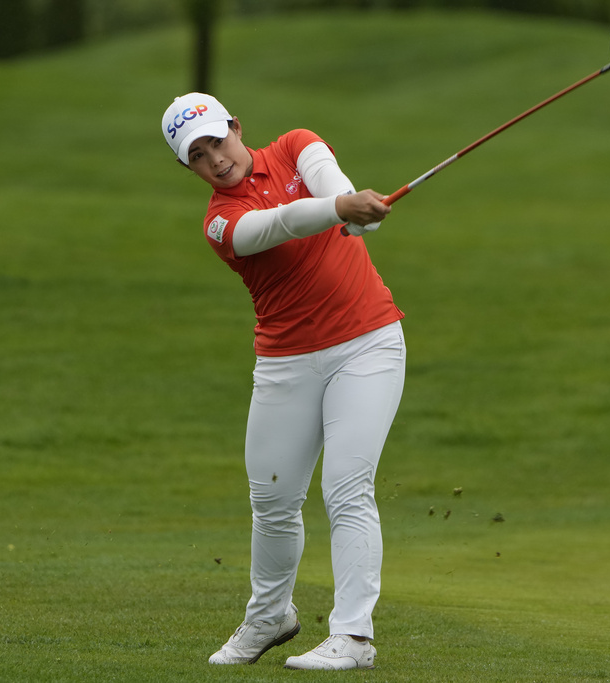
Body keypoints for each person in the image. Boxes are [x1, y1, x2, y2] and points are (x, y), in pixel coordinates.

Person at [160, 93, 405, 670]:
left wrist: (345, 205)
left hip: (366, 343)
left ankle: (353, 637)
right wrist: (343, 208)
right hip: (285, 360)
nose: (216, 159)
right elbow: (282, 223)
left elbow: (326, 180)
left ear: (237, 128)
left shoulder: (297, 144)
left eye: (218, 141)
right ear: (188, 168)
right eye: (198, 155)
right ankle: (271, 615)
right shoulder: (220, 224)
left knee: (346, 487)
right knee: (271, 499)